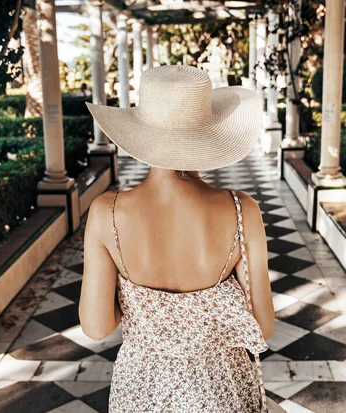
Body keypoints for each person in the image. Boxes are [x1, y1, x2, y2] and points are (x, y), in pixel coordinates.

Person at [79, 65, 277, 412]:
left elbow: (97, 327)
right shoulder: (242, 210)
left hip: (141, 391)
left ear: (140, 132)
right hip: (222, 391)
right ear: (208, 133)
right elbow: (263, 325)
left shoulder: (106, 213)